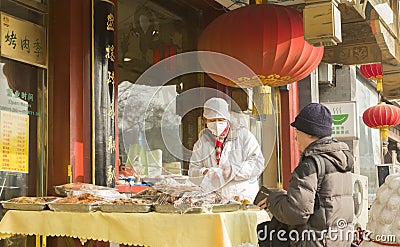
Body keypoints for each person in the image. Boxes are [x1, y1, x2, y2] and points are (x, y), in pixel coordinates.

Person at [257, 102, 354, 247]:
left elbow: (297, 212)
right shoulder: (340, 161)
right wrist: (288, 197)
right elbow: (323, 202)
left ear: (310, 133)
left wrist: (273, 199)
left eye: (297, 134)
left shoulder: (310, 164)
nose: (295, 139)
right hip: (339, 240)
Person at [188, 97, 265, 201]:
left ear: (227, 118)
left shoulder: (244, 136)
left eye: (221, 120)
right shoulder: (202, 143)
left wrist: (233, 171)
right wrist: (203, 172)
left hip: (242, 197)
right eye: (212, 120)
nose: (217, 124)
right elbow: (193, 170)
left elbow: (258, 163)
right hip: (213, 199)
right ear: (205, 120)